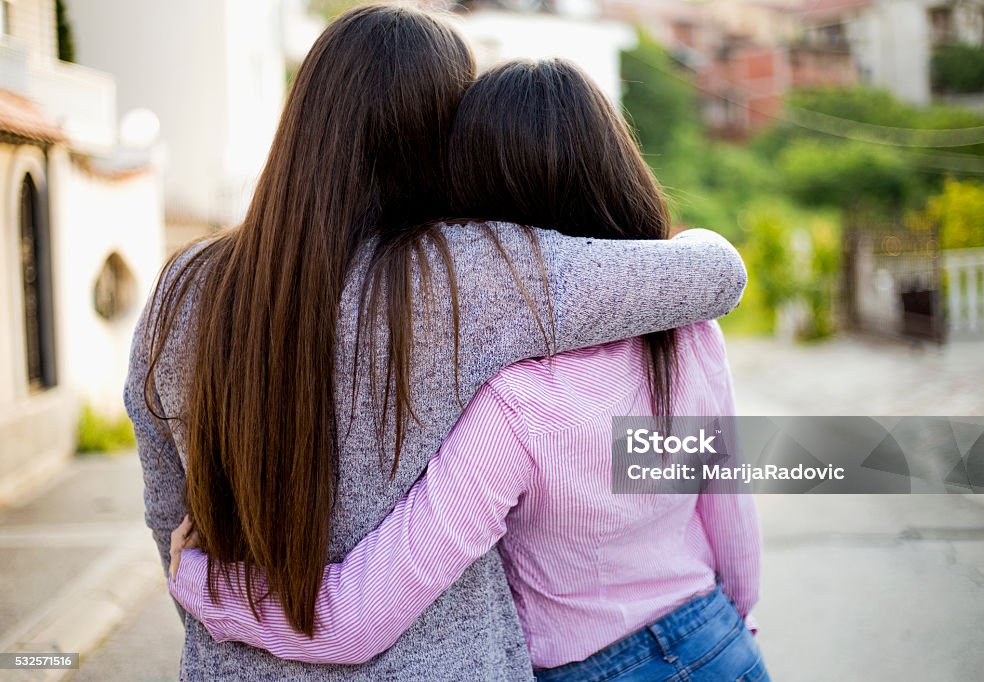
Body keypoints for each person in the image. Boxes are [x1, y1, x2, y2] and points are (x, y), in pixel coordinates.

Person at [126, 6, 746, 680]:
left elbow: (171, 514)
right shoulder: (469, 273)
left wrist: (200, 582)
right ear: (438, 140)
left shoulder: (179, 289)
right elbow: (714, 276)